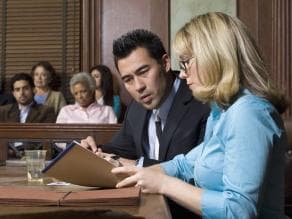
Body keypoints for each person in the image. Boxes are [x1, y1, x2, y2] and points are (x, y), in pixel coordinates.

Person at [112, 12, 289, 219]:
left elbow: (238, 211)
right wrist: (138, 173)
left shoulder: (248, 113)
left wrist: (163, 183)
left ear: (215, 57)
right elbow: (184, 164)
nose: (183, 73)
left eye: (186, 62)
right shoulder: (222, 110)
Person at [81, 29, 209, 218]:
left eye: (143, 72)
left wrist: (137, 164)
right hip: (144, 209)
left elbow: (198, 174)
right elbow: (119, 149)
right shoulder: (137, 107)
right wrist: (93, 151)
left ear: (165, 63)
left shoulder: (201, 101)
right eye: (128, 79)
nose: (138, 86)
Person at [0, 73, 56, 157]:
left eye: (25, 88)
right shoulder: (4, 111)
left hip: (34, 157)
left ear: (33, 90)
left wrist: (21, 153)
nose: (21, 93)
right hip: (6, 157)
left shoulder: (46, 111)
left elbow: (45, 140)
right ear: (13, 93)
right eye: (17, 90)